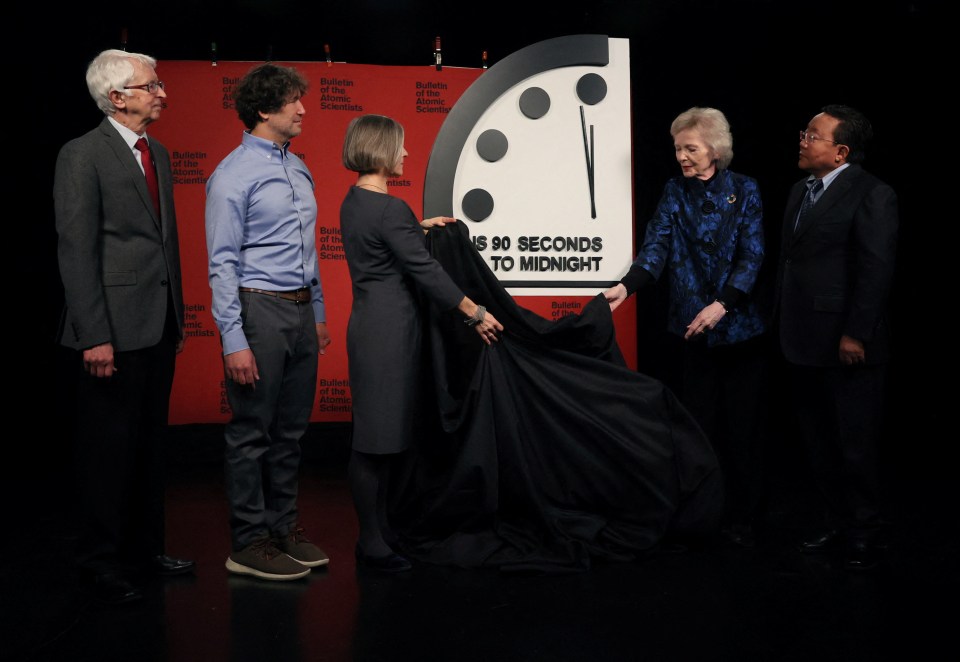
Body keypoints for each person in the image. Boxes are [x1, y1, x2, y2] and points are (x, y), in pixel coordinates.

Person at [53, 49, 194, 604]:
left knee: (149, 449)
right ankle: (100, 563)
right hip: (110, 331)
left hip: (156, 326)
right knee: (107, 455)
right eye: (151, 85)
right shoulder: (81, 154)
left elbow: (163, 246)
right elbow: (76, 249)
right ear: (117, 97)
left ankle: (145, 550)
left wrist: (176, 316)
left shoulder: (156, 151)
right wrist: (94, 335)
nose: (162, 92)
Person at [339, 114, 503, 572]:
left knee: (380, 437)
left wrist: (419, 229)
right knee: (375, 441)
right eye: (402, 146)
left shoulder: (356, 201)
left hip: (372, 329)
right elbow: (426, 272)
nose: (407, 154)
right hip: (389, 336)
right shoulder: (391, 210)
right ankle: (372, 542)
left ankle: (379, 531)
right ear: (382, 149)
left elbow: (388, 244)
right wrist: (474, 312)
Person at [604, 107, 767, 547]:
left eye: (690, 148)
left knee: (742, 431)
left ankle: (745, 518)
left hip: (739, 332)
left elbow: (752, 258)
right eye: (678, 148)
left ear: (714, 149)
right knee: (698, 428)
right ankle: (703, 515)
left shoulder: (745, 190)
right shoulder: (674, 191)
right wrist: (627, 286)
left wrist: (722, 305)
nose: (681, 156)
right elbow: (656, 245)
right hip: (694, 332)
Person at [206, 63, 332, 581]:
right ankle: (249, 541)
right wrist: (233, 340)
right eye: (292, 102)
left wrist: (318, 314)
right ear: (264, 109)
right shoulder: (231, 175)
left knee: (290, 432)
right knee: (251, 431)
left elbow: (307, 252)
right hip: (258, 311)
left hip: (302, 313)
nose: (304, 109)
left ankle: (283, 530)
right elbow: (222, 263)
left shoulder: (297, 167)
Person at [776, 105, 897, 570]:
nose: (803, 140)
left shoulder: (872, 194)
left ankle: (865, 530)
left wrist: (855, 333)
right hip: (802, 337)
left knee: (855, 441)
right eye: (805, 131)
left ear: (840, 151)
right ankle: (835, 521)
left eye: (813, 135)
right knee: (818, 440)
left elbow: (875, 269)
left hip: (848, 342)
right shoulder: (799, 192)